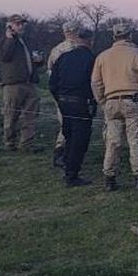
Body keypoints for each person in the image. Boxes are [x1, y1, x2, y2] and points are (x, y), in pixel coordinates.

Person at [91, 21, 138, 191]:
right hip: (133, 100)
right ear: (130, 35)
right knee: (135, 139)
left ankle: (109, 178)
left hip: (111, 102)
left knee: (112, 141)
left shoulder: (102, 57)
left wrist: (102, 101)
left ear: (114, 36)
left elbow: (96, 82)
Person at [48, 27, 97, 187]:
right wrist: (95, 101)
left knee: (68, 135)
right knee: (79, 139)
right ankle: (72, 175)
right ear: (90, 41)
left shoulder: (63, 57)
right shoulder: (92, 59)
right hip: (81, 103)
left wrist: (59, 99)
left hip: (63, 102)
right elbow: (96, 84)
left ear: (77, 40)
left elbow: (52, 83)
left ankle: (67, 167)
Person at [0, 14, 40, 151]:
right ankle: (10, 143)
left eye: (22, 24)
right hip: (13, 84)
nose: (21, 26)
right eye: (17, 24)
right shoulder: (3, 41)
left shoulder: (25, 42)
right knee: (11, 115)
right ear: (9, 25)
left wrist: (38, 61)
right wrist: (10, 38)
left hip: (29, 83)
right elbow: (4, 56)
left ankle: (27, 143)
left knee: (30, 116)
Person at [47, 21, 87, 167]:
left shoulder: (56, 49)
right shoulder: (77, 48)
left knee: (64, 121)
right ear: (77, 31)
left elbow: (51, 71)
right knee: (69, 124)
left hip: (59, 92)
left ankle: (64, 152)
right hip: (74, 93)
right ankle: (61, 152)